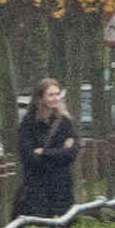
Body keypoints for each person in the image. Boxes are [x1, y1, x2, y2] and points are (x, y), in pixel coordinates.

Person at [16, 79, 78, 219]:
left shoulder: (65, 122)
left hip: (62, 186)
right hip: (37, 186)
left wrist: (44, 152)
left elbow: (72, 153)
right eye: (51, 95)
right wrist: (59, 154)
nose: (55, 98)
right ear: (40, 97)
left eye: (57, 94)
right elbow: (29, 157)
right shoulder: (28, 124)